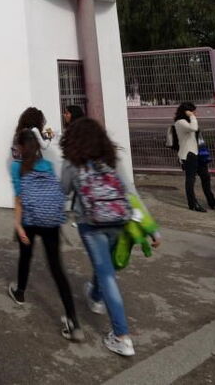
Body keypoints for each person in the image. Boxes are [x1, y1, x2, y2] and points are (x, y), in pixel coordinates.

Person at [61, 118, 155, 357]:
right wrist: (151, 228)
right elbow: (130, 192)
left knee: (106, 274)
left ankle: (122, 337)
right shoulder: (112, 158)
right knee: (104, 267)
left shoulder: (72, 161)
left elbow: (63, 191)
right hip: (118, 220)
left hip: (90, 223)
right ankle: (95, 296)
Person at [7, 128, 84, 342]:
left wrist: (18, 226)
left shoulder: (16, 167)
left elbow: (19, 198)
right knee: (57, 268)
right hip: (51, 221)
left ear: (20, 147)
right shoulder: (48, 165)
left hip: (30, 220)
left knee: (26, 256)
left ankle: (20, 292)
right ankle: (73, 321)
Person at [173, 102, 215, 212]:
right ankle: (193, 204)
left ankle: (211, 200)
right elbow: (194, 128)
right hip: (189, 154)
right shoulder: (180, 122)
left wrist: (191, 117)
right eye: (193, 111)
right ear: (186, 112)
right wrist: (192, 116)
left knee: (206, 177)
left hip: (198, 153)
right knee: (190, 179)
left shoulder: (189, 121)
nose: (196, 113)